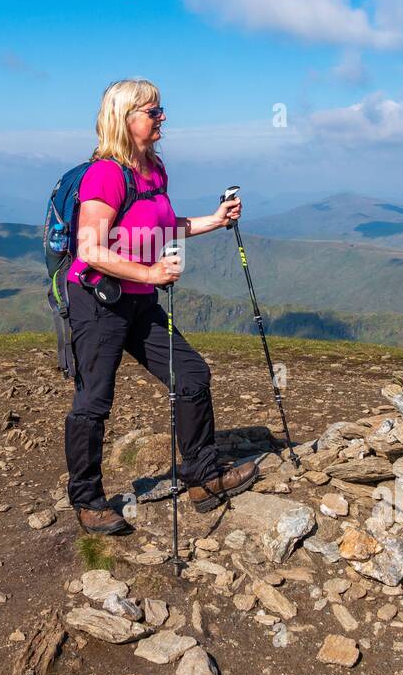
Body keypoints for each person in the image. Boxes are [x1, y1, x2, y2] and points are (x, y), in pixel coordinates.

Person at [64, 78, 258, 535]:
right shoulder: (106, 174)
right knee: (94, 400)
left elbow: (164, 226)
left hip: (138, 300)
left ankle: (202, 479)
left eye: (160, 109)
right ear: (125, 119)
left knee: (191, 375)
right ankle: (88, 501)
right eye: (153, 112)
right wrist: (151, 274)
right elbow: (89, 249)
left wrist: (215, 220)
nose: (162, 117)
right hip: (97, 301)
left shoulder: (153, 169)